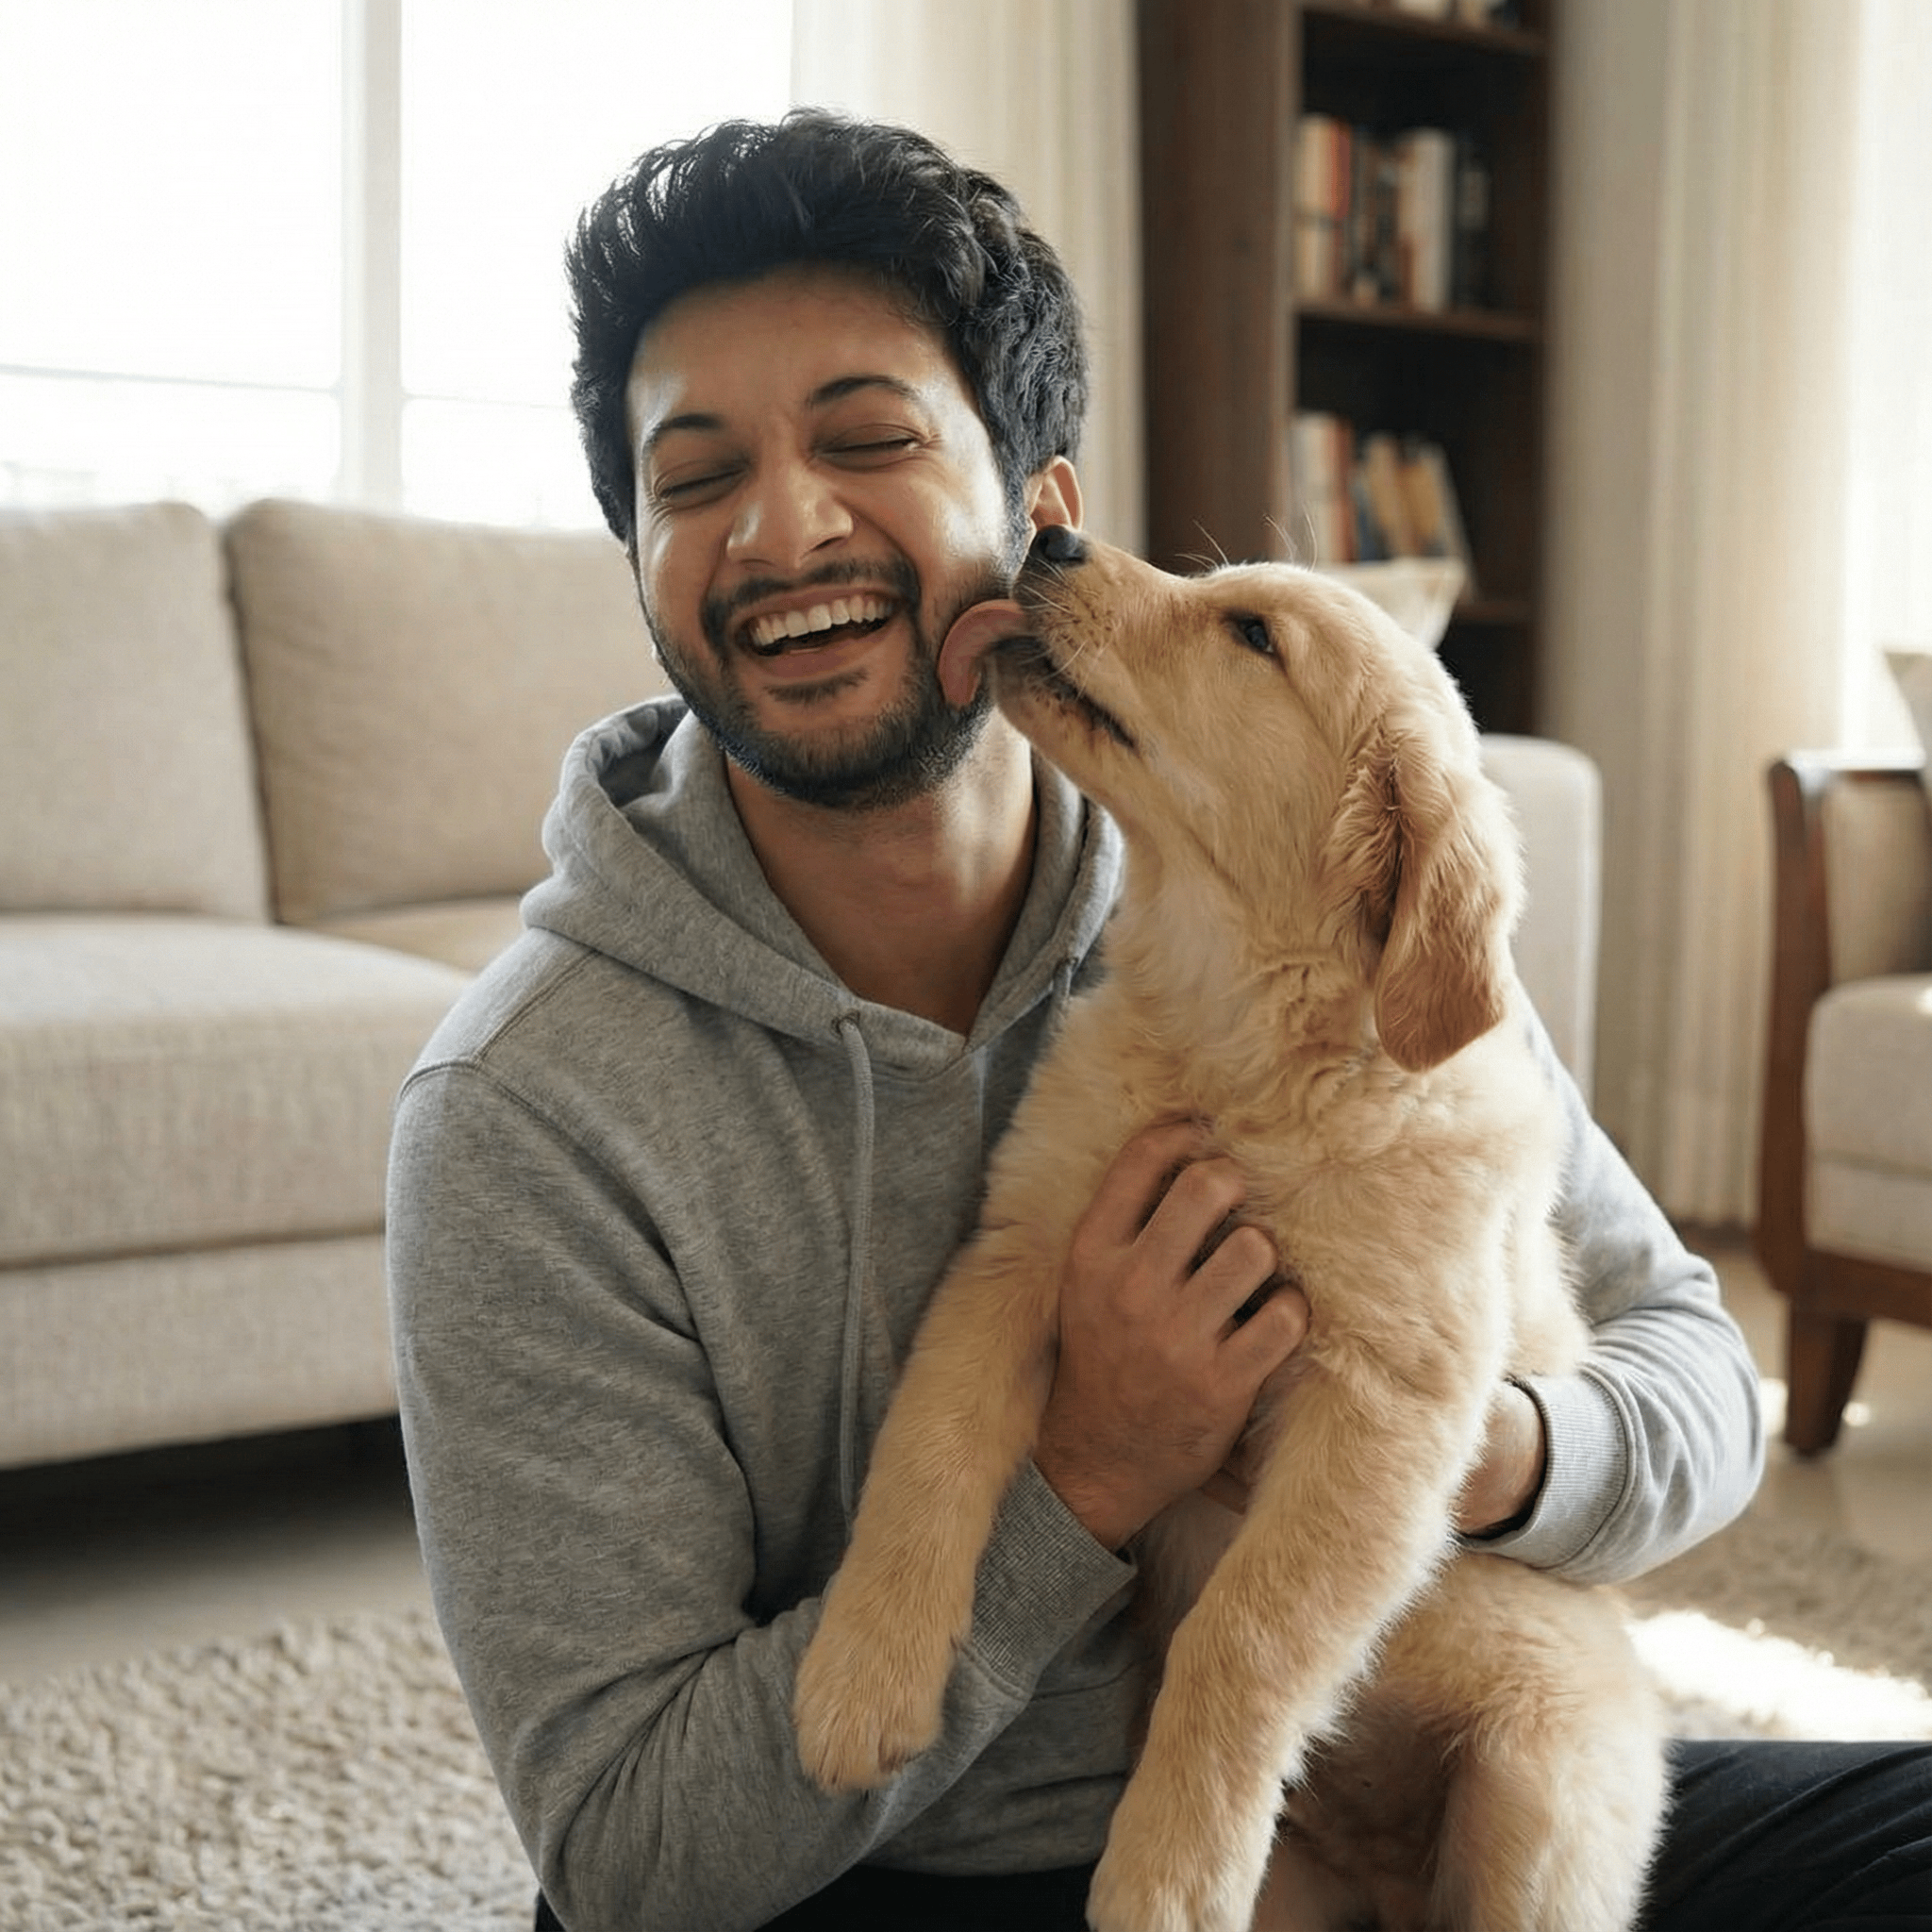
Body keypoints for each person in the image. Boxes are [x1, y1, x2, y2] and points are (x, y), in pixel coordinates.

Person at [386, 111, 1930, 1932]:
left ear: (1040, 510)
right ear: (638, 555)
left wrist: (1465, 1445)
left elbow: (1690, 1377)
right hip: (922, 1863)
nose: (782, 526)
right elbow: (633, 1864)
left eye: (868, 440)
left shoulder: (1270, 893)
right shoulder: (525, 1112)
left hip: (1392, 1743)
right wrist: (1096, 1469)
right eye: (693, 476)